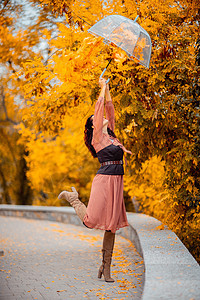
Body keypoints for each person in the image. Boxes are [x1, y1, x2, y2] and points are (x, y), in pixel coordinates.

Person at [58, 78, 132, 283]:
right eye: (95, 118)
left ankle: (105, 268)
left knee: (112, 226)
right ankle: (74, 199)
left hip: (117, 182)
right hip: (104, 181)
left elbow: (109, 110)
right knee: (90, 221)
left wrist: (107, 88)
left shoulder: (112, 136)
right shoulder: (97, 138)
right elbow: (100, 113)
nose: (99, 118)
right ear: (93, 125)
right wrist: (100, 89)